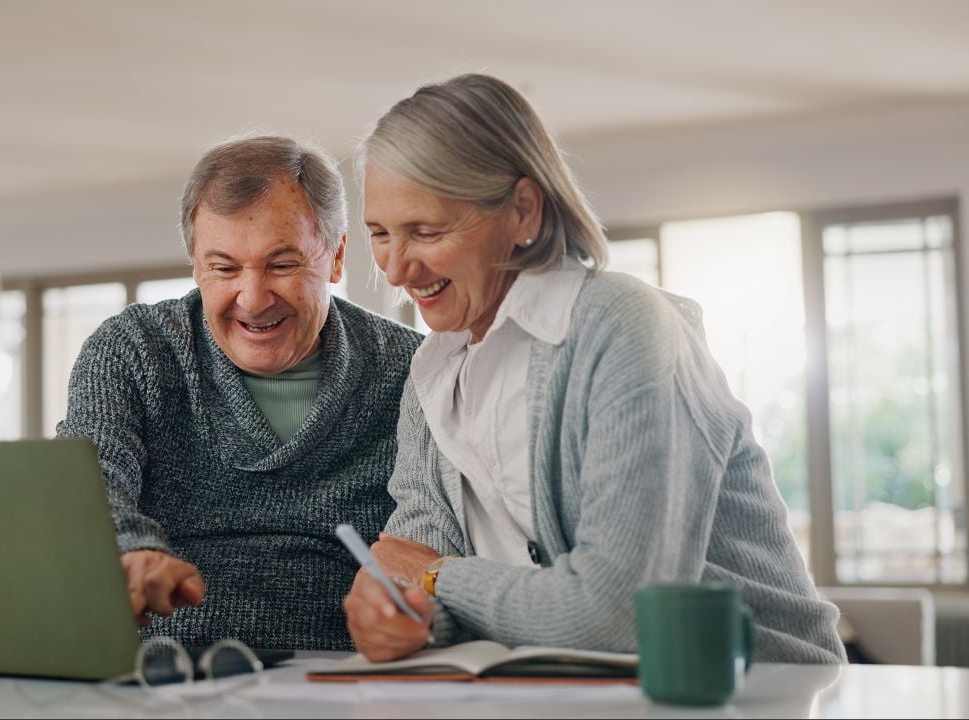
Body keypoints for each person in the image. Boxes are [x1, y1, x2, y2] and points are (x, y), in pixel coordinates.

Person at [342, 74, 845, 663]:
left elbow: (621, 614)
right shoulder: (433, 372)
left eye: (426, 231)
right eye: (379, 234)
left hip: (752, 690)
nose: (397, 270)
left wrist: (439, 579)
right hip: (568, 692)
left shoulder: (626, 329)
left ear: (523, 210)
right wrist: (403, 614)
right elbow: (410, 561)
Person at [57, 135, 422, 650]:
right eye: (224, 268)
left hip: (341, 672)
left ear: (336, 257)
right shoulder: (133, 349)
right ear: (195, 266)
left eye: (282, 265)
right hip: (164, 670)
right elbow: (86, 480)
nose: (252, 299)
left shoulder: (412, 370)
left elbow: (433, 543)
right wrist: (127, 551)